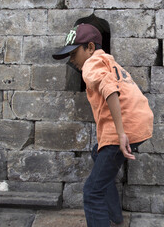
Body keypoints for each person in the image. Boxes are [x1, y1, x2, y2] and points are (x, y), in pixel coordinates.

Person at [52, 23, 154, 227]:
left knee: (92, 192)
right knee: (97, 152)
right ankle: (115, 217)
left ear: (90, 47)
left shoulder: (91, 64)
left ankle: (111, 216)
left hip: (124, 130)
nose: (72, 60)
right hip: (140, 124)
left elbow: (109, 88)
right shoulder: (110, 62)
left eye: (73, 53)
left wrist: (120, 133)